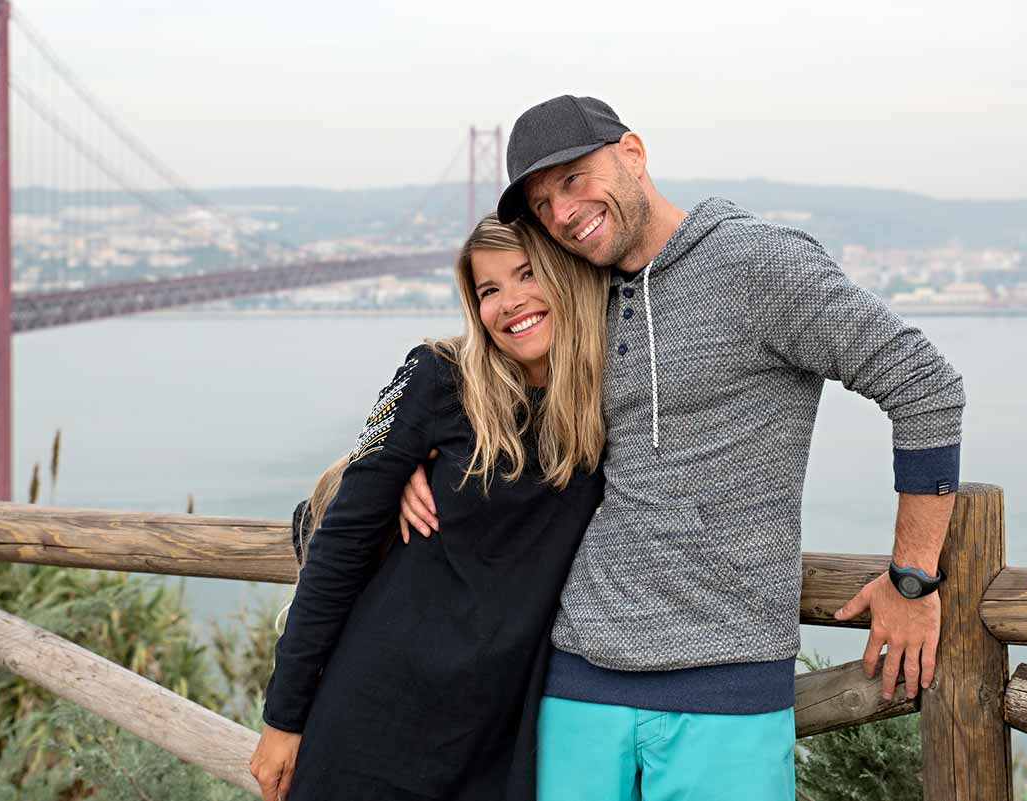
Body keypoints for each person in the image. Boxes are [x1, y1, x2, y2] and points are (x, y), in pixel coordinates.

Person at [399, 95, 965, 800]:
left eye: (573, 178)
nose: (563, 212)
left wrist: (913, 577)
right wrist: (401, 470)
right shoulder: (576, 296)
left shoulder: (757, 263)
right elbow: (485, 402)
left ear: (633, 153)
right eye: (543, 204)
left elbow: (924, 383)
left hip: (727, 685)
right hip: (576, 677)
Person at [249, 213, 610, 801]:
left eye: (527, 274)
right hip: (376, 712)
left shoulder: (612, 397)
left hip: (499, 732)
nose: (510, 302)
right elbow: (339, 541)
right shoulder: (436, 375)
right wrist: (282, 718)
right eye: (488, 290)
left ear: (567, 275)